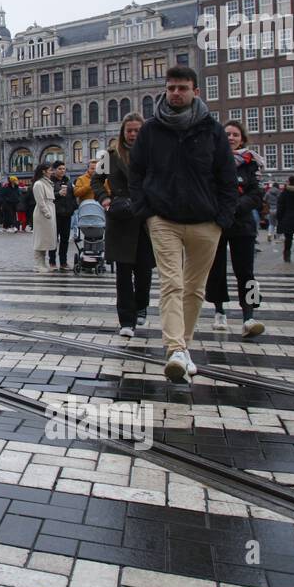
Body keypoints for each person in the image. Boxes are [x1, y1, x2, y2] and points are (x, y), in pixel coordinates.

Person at [129, 65, 237, 383]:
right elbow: (137, 173)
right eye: (171, 87)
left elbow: (227, 178)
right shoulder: (150, 131)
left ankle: (183, 349)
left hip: (206, 221)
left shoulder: (212, 130)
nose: (176, 93)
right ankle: (175, 348)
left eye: (182, 88)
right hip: (163, 218)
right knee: (171, 284)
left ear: (195, 91)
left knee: (195, 289)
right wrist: (145, 211)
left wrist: (222, 219)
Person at [204, 120, 266, 338]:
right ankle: (219, 311)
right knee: (216, 269)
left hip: (242, 223)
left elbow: (257, 194)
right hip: (217, 222)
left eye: (235, 135)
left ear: (242, 139)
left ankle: (249, 315)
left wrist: (235, 207)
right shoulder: (212, 161)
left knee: (246, 271)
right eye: (227, 134)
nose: (231, 138)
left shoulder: (252, 163)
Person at [94, 113, 153, 338]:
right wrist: (104, 199)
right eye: (129, 130)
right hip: (120, 217)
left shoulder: (151, 154)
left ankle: (141, 305)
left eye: (137, 130)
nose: (133, 134)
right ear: (123, 132)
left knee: (144, 271)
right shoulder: (110, 155)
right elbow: (96, 180)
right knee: (123, 273)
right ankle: (126, 320)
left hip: (145, 218)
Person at [49, 161, 77, 269]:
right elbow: (48, 196)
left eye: (64, 169)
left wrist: (73, 207)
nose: (62, 171)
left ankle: (63, 262)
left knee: (65, 239)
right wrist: (58, 194)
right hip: (55, 214)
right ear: (55, 170)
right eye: (60, 169)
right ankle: (52, 261)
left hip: (67, 214)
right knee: (53, 239)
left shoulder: (68, 182)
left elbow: (72, 196)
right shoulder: (50, 182)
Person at [31, 163, 57, 271]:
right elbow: (40, 201)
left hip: (50, 210)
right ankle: (38, 263)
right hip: (42, 214)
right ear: (44, 171)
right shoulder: (38, 184)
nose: (52, 172)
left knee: (47, 239)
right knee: (40, 239)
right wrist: (46, 212)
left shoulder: (48, 183)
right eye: (50, 170)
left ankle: (43, 263)